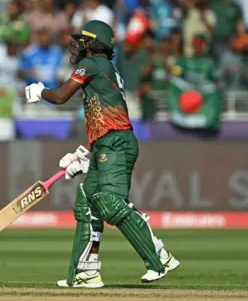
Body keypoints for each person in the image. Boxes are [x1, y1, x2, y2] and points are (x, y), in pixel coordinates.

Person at [24, 20, 180, 288]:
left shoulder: (94, 64)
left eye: (84, 40)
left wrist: (40, 91)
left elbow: (61, 96)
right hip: (106, 142)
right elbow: (102, 114)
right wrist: (86, 153)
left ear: (96, 43)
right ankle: (86, 271)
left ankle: (159, 256)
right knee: (88, 201)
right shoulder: (103, 68)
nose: (79, 45)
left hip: (116, 142)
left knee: (108, 201)